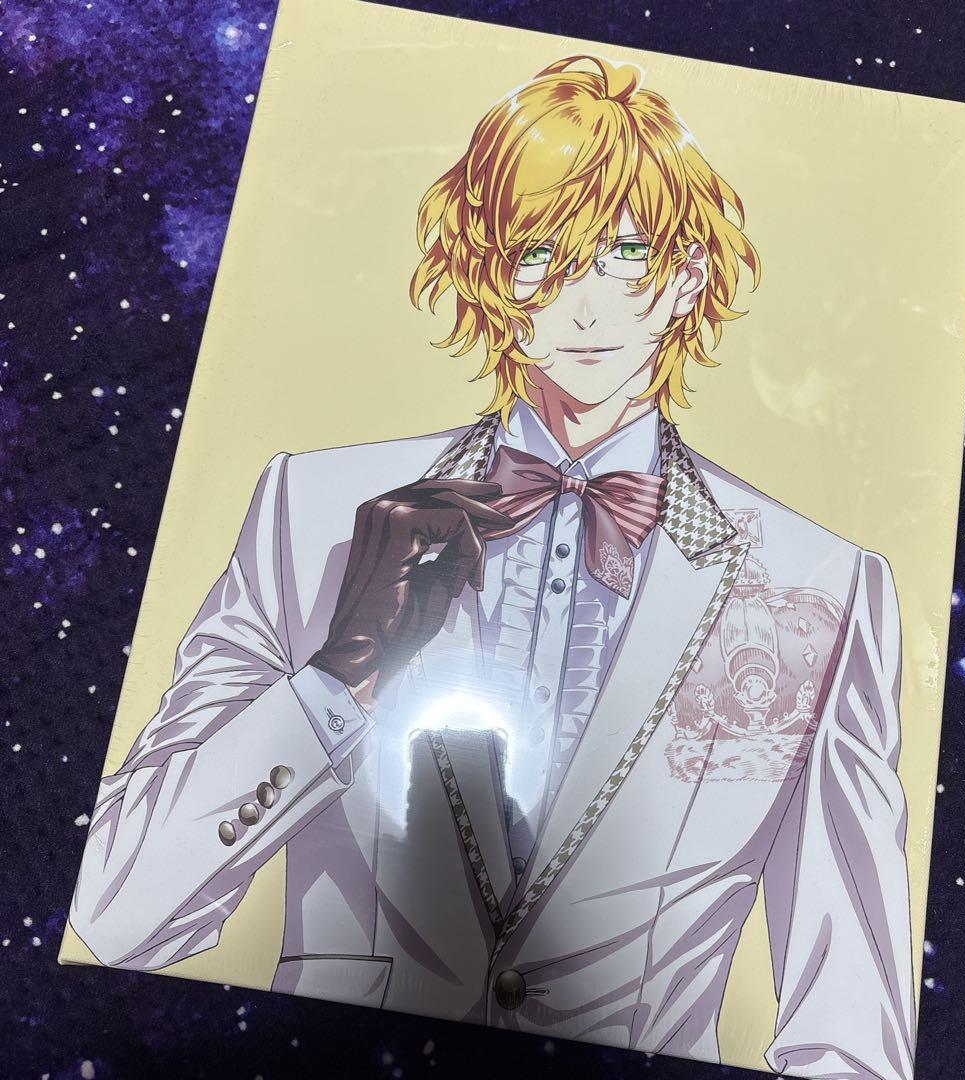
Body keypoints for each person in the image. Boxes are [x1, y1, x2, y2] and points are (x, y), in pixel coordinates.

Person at [69, 54, 917, 1078]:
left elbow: (853, 1022)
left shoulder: (821, 586)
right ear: (483, 269)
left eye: (627, 253)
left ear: (689, 275)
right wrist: (338, 675)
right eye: (540, 254)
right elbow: (115, 908)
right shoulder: (314, 514)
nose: (585, 307)